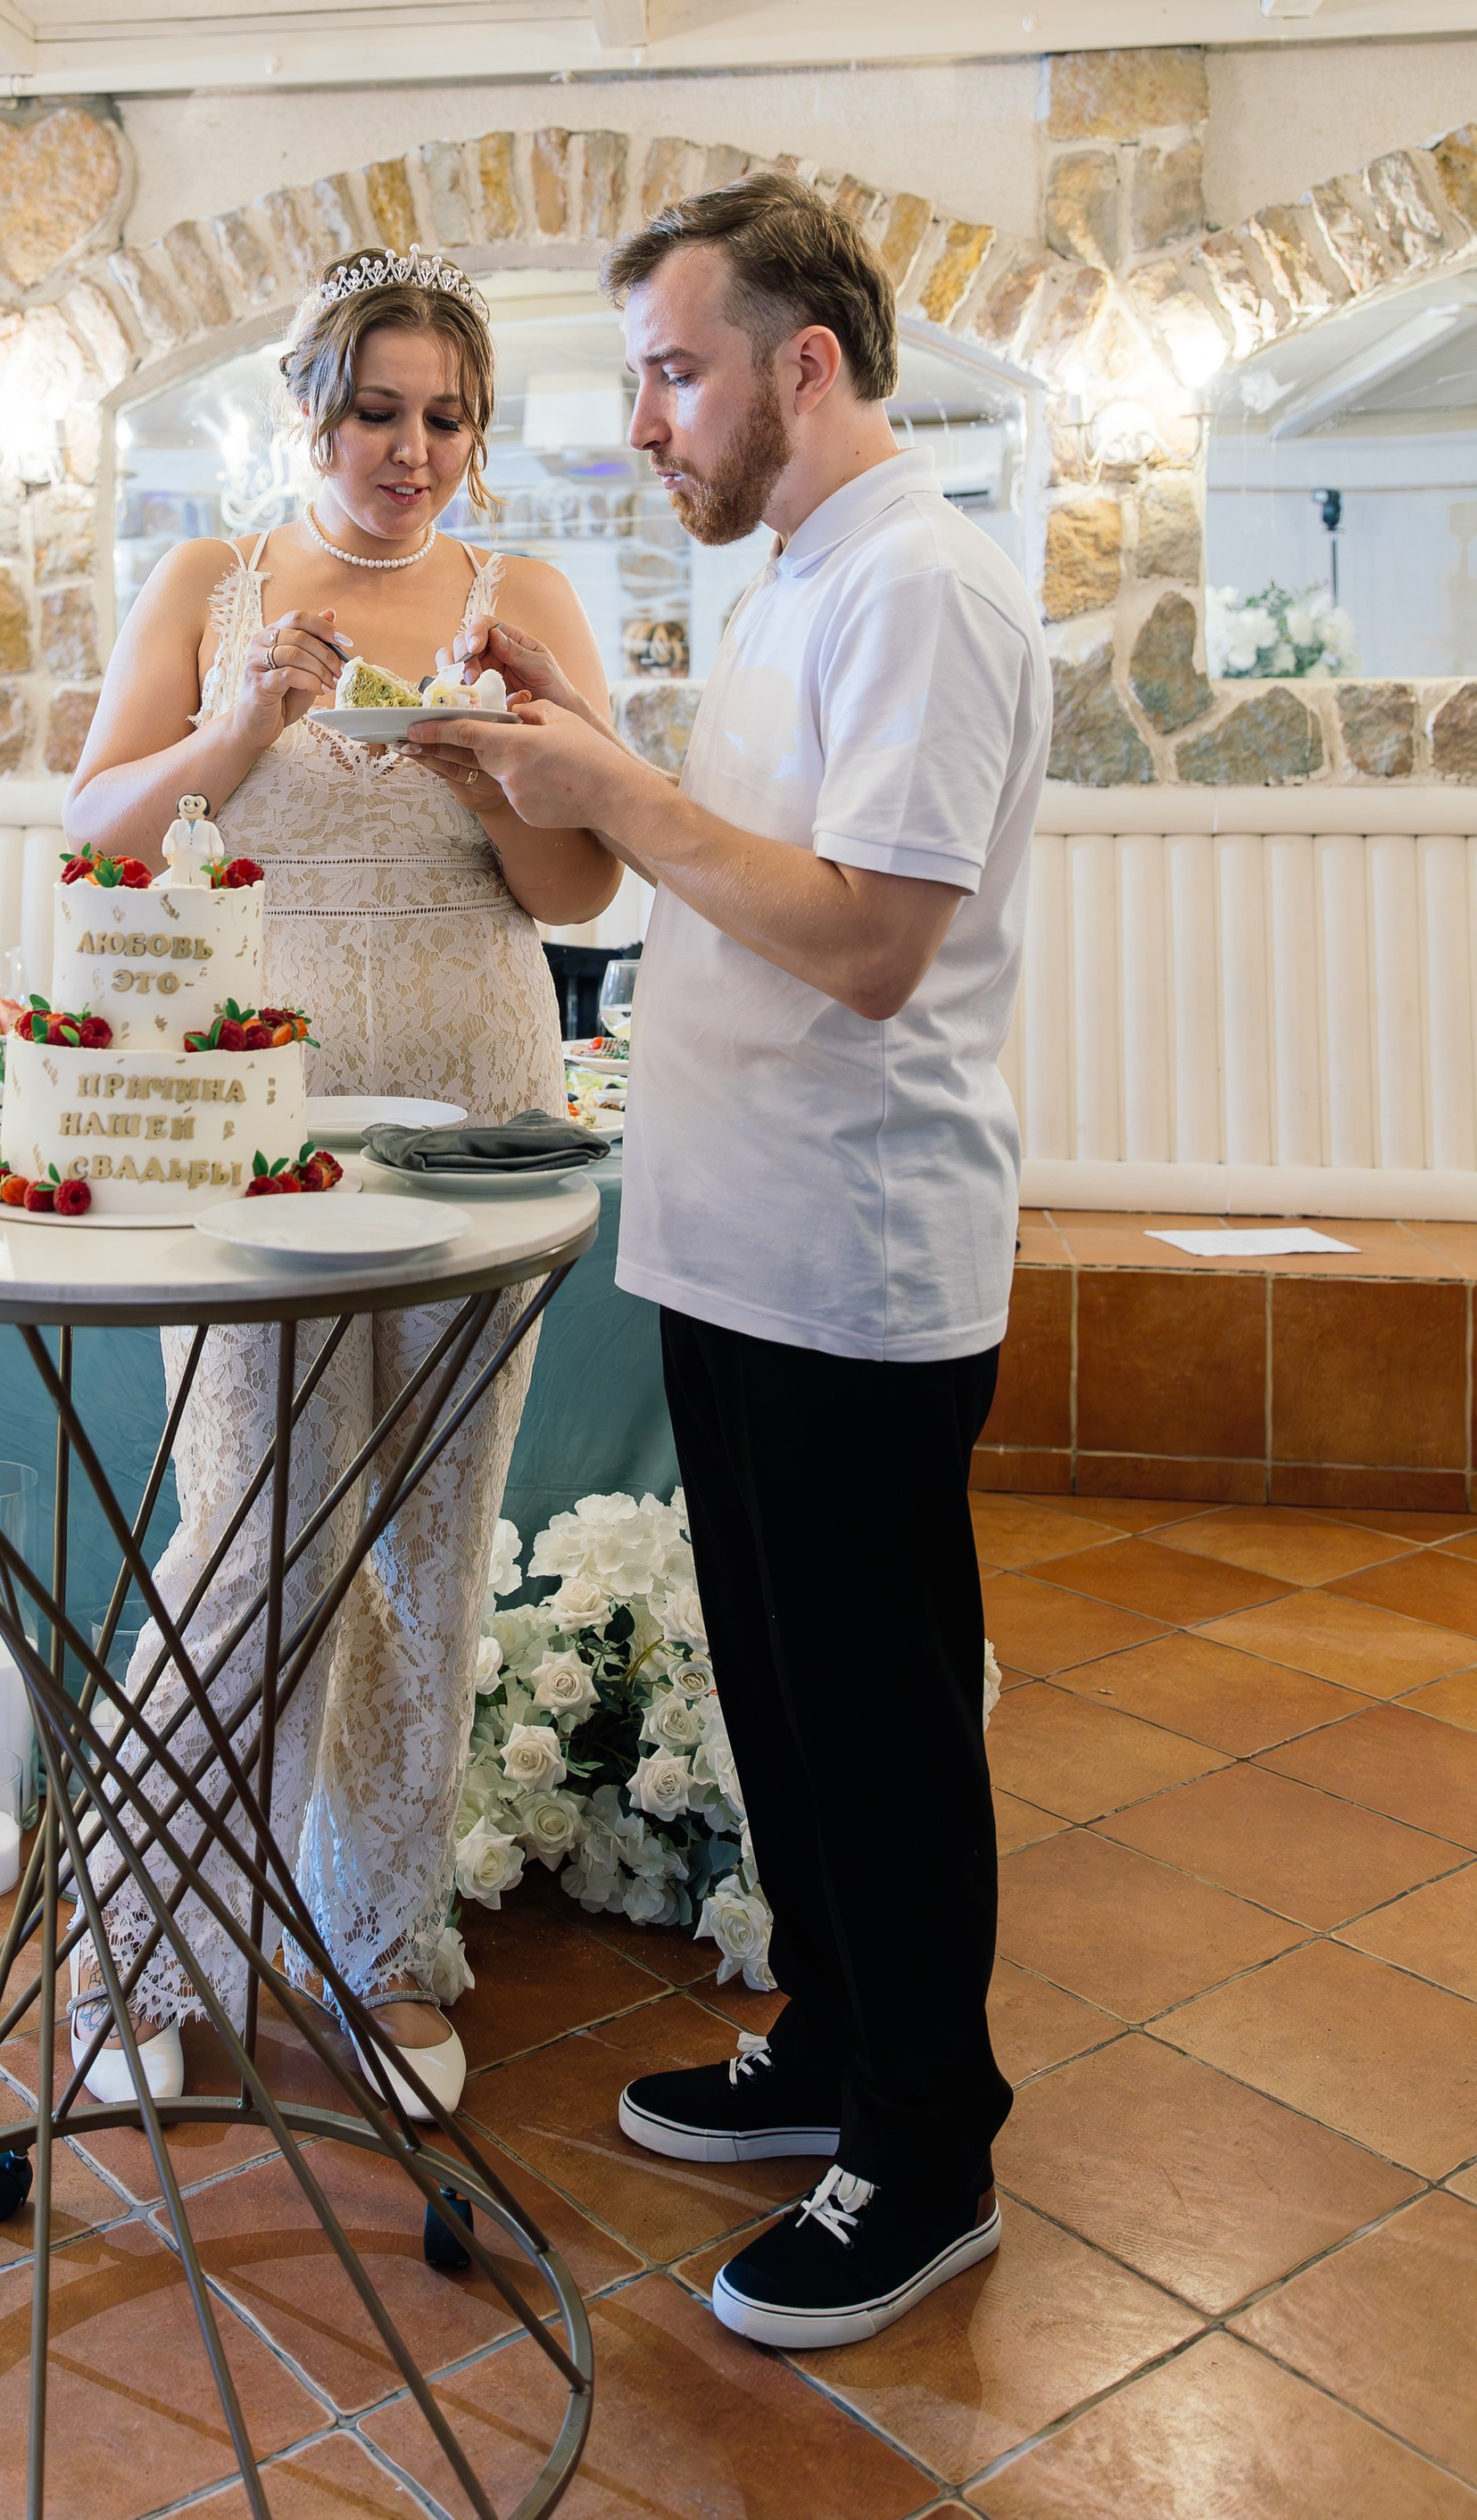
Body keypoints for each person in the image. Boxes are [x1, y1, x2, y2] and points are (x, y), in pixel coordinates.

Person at [413, 175, 1050, 2347]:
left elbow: (867, 939)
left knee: (875, 1712)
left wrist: (610, 770)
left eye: (672, 370)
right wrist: (558, 763)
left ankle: (926, 2142)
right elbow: (708, 875)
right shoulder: (789, 580)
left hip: (856, 1242)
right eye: (632, 380)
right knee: (779, 1689)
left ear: (804, 360)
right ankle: (833, 2043)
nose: (641, 421)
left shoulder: (926, 588)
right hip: (729, 1229)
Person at [62, 247, 620, 2115]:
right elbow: (91, 832)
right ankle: (138, 1933)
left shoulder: (517, 590)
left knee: (431, 1535)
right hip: (257, 1106)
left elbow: (579, 894)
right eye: (377, 411)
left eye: (446, 417)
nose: (411, 451)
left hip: (475, 1092)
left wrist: (482, 772)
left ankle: (380, 1939)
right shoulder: (209, 581)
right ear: (310, 406)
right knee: (249, 1524)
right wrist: (236, 733)